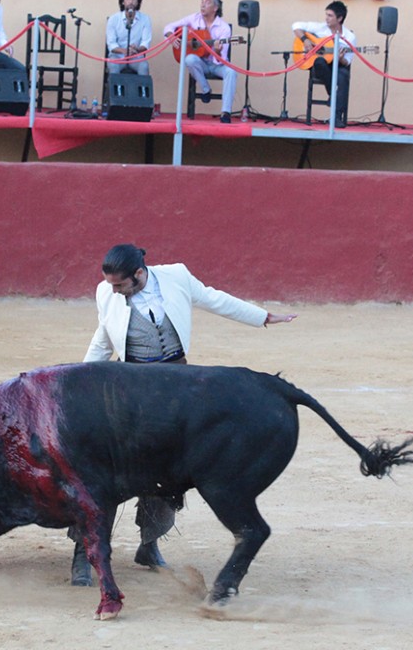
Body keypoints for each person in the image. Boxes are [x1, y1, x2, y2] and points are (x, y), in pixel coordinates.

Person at [70, 243, 297, 586]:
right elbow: (103, 337)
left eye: (120, 285)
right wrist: (80, 383)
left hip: (176, 388)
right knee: (102, 468)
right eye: (110, 285)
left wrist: (262, 317)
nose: (113, 291)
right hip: (128, 388)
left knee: (168, 469)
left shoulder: (176, 276)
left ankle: (149, 544)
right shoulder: (107, 292)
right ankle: (83, 553)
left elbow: (214, 299)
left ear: (139, 274)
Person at [163, 0, 238, 124]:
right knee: (189, 59)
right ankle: (206, 89)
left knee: (231, 72)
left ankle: (226, 112)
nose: (202, 5)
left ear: (215, 8)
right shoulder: (194, 18)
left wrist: (217, 50)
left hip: (216, 64)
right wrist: (171, 36)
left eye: (207, 2)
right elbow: (169, 27)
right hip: (200, 62)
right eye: (202, 2)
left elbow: (221, 59)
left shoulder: (224, 28)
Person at [292, 0, 355, 128]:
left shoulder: (350, 37)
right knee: (319, 61)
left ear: (340, 18)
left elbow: (348, 61)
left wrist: (340, 58)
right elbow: (295, 25)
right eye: (326, 14)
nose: (326, 18)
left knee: (343, 76)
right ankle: (333, 94)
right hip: (322, 67)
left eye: (330, 16)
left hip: (338, 65)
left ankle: (336, 117)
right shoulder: (320, 28)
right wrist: (305, 40)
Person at [106, 0, 152, 76]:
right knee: (113, 66)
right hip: (118, 57)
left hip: (136, 56)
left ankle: (142, 90)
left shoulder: (145, 19)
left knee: (144, 66)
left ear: (138, 2)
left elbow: (146, 43)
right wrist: (123, 51)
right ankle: (117, 90)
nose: (131, 2)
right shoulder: (113, 19)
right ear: (123, 2)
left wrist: (137, 49)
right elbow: (111, 43)